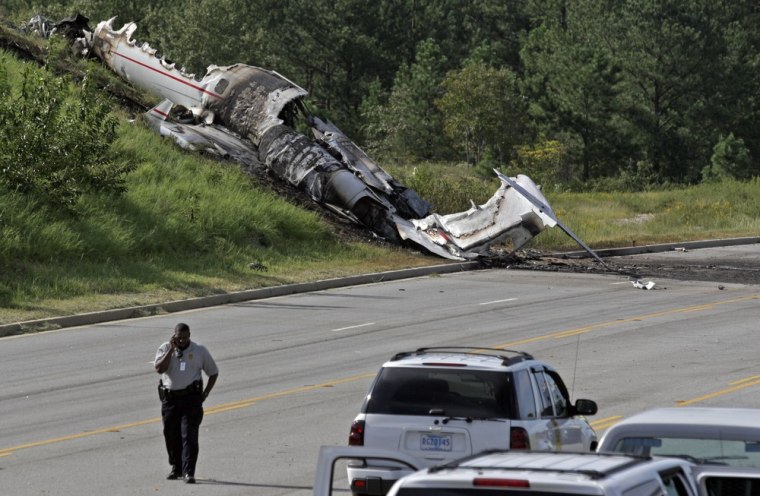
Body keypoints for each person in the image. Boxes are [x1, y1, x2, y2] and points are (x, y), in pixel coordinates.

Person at [154, 322, 219, 484]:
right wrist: (170, 349)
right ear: (173, 336)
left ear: (189, 335)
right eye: (178, 338)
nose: (181, 341)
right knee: (171, 435)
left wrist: (205, 394)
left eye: (184, 338)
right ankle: (177, 468)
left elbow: (213, 372)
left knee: (189, 435)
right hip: (170, 399)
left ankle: (189, 471)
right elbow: (159, 369)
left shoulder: (199, 351)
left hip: (191, 400)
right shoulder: (165, 348)